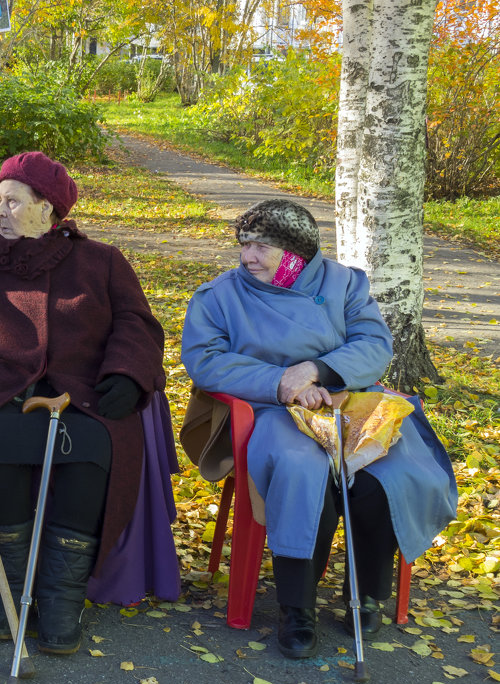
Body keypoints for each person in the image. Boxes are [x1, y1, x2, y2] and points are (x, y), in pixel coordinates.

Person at [0, 151, 179, 656]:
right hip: (5, 394)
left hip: (86, 396)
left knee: (92, 449)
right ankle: (9, 590)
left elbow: (137, 324)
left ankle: (62, 598)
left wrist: (126, 374)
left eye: (13, 202)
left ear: (47, 208)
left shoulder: (102, 262)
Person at [180, 198, 458, 658]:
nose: (247, 257)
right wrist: (280, 382)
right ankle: (297, 609)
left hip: (349, 404)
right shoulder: (220, 296)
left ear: (295, 252)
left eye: (261, 247)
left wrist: (318, 370)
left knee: (386, 478)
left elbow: (374, 344)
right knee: (302, 470)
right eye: (244, 245)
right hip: (272, 411)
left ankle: (367, 594)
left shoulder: (344, 284)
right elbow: (205, 361)